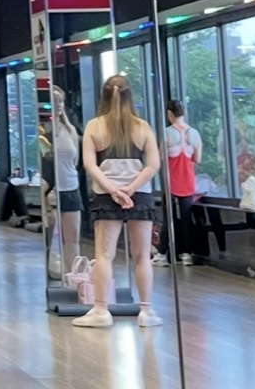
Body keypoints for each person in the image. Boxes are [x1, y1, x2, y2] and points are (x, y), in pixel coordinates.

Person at [73, 75, 162, 329]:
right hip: (140, 196)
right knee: (142, 255)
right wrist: (130, 189)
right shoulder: (142, 126)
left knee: (104, 254)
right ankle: (146, 311)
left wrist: (114, 191)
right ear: (129, 95)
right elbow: (153, 165)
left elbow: (90, 165)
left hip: (105, 196)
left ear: (103, 95)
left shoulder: (94, 126)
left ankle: (101, 310)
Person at [154, 100, 202, 266]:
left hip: (171, 182)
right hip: (188, 181)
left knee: (169, 218)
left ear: (169, 113)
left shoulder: (167, 133)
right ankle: (187, 254)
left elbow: (159, 158)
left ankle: (162, 254)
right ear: (184, 113)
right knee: (186, 217)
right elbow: (197, 159)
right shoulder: (194, 134)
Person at [43, 86, 82, 274]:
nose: (58, 105)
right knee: (49, 238)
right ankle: (51, 272)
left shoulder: (70, 130)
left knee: (72, 240)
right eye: (54, 101)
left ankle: (72, 276)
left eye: (61, 101)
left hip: (70, 189)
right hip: (50, 190)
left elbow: (75, 161)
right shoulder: (43, 131)